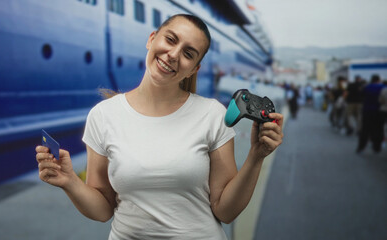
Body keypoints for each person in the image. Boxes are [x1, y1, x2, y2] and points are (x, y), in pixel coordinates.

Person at [35, 14, 283, 239]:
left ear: (193, 69)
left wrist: (255, 157)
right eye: (170, 40)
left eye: (188, 53)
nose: (174, 54)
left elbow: (225, 211)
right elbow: (102, 209)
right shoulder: (103, 115)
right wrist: (69, 181)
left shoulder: (212, 114)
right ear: (152, 39)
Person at [357, 74, 384, 153]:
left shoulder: (366, 87)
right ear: (378, 80)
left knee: (365, 129)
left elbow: (361, 96)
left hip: (367, 110)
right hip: (378, 111)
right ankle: (377, 147)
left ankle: (361, 147)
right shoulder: (382, 87)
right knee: (378, 129)